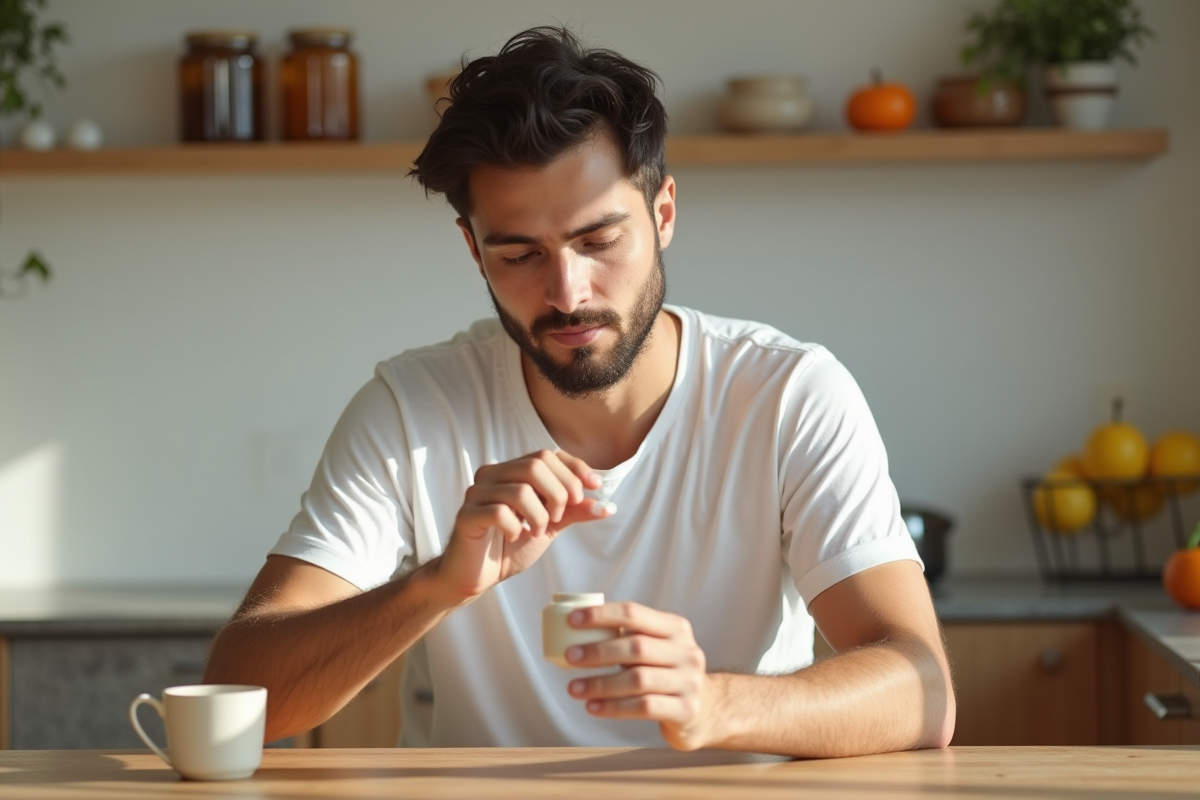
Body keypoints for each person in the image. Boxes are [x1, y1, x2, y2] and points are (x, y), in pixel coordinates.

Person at [203, 25, 954, 757]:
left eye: (598, 242)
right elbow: (239, 694)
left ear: (662, 215)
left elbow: (922, 687)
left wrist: (713, 704)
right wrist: (435, 587)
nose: (567, 293)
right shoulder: (415, 408)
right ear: (473, 250)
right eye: (521, 253)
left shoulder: (788, 394)